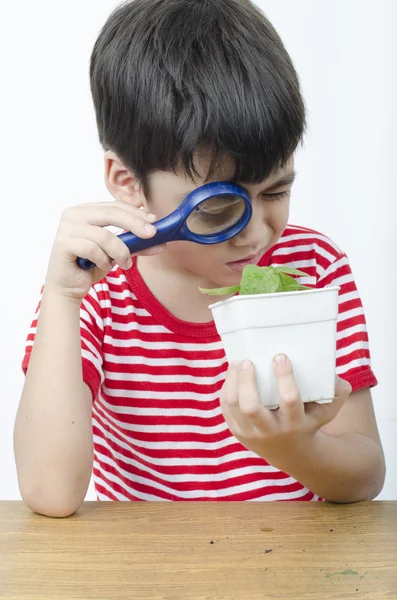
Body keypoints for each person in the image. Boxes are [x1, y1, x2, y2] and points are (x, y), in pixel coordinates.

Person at [15, 0, 385, 516]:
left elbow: (365, 474)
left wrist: (295, 449)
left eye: (276, 192)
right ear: (128, 184)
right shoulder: (97, 290)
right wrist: (61, 297)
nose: (256, 234)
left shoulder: (314, 269)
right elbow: (51, 494)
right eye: (219, 209)